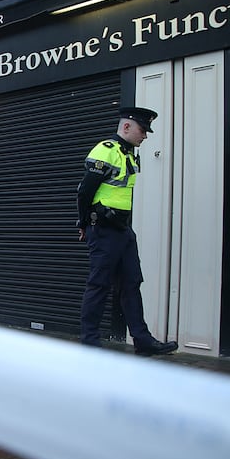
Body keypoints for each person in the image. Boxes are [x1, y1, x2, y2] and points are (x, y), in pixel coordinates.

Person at [76, 106, 178, 356]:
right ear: (126, 127)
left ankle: (143, 341)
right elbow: (84, 191)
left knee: (132, 283)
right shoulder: (106, 151)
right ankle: (89, 343)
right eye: (143, 130)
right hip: (103, 229)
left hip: (123, 230)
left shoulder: (130, 154)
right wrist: (83, 224)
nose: (145, 135)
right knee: (99, 284)